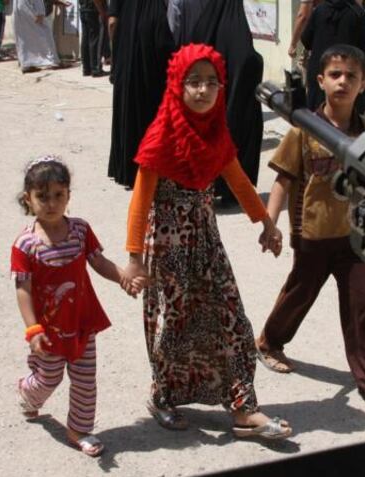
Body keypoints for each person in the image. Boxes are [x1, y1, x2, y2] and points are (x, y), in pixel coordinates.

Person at [121, 44, 293, 441]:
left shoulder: (216, 132)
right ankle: (163, 396)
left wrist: (266, 223)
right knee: (174, 324)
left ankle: (242, 408)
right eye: (193, 82)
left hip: (206, 241)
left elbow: (237, 180)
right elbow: (140, 200)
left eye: (211, 82)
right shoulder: (161, 135)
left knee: (232, 318)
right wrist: (134, 259)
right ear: (177, 86)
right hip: (167, 246)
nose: (202, 91)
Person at [257, 44, 365, 414]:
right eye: (335, 75)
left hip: (356, 237)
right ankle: (269, 342)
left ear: (364, 83)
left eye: (351, 76)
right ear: (320, 81)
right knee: (299, 294)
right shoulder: (303, 130)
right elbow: (282, 180)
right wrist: (269, 223)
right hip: (312, 234)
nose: (343, 82)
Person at [11, 155, 136, 457]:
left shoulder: (80, 230)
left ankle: (78, 428)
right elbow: (23, 289)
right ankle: (28, 391)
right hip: (49, 329)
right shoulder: (25, 244)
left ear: (68, 196)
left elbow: (98, 261)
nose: (51, 203)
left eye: (58, 195)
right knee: (48, 378)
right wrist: (33, 329)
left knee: (84, 379)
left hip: (82, 321)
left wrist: (121, 277)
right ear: (28, 199)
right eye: (42, 197)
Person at [169, 0, 263, 208]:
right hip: (237, 107)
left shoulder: (204, 27)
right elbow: (249, 61)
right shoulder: (238, 30)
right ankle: (234, 192)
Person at [106, 0, 174, 188]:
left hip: (124, 57)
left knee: (126, 111)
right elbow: (165, 43)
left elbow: (112, 22)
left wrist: (117, 57)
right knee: (148, 113)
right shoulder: (156, 9)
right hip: (149, 61)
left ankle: (124, 169)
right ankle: (147, 170)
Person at [301, 0, 365, 115]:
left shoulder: (319, 10)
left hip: (321, 74)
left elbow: (306, 39)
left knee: (316, 118)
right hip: (348, 77)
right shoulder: (358, 13)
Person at [13, 0, 60, 72]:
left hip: (19, 10)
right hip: (27, 9)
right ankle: (52, 60)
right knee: (45, 32)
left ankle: (26, 63)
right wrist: (40, 12)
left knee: (24, 37)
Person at [79, 0, 107, 76]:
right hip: (93, 10)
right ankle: (95, 68)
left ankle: (86, 69)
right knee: (95, 40)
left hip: (83, 9)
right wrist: (102, 11)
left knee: (85, 39)